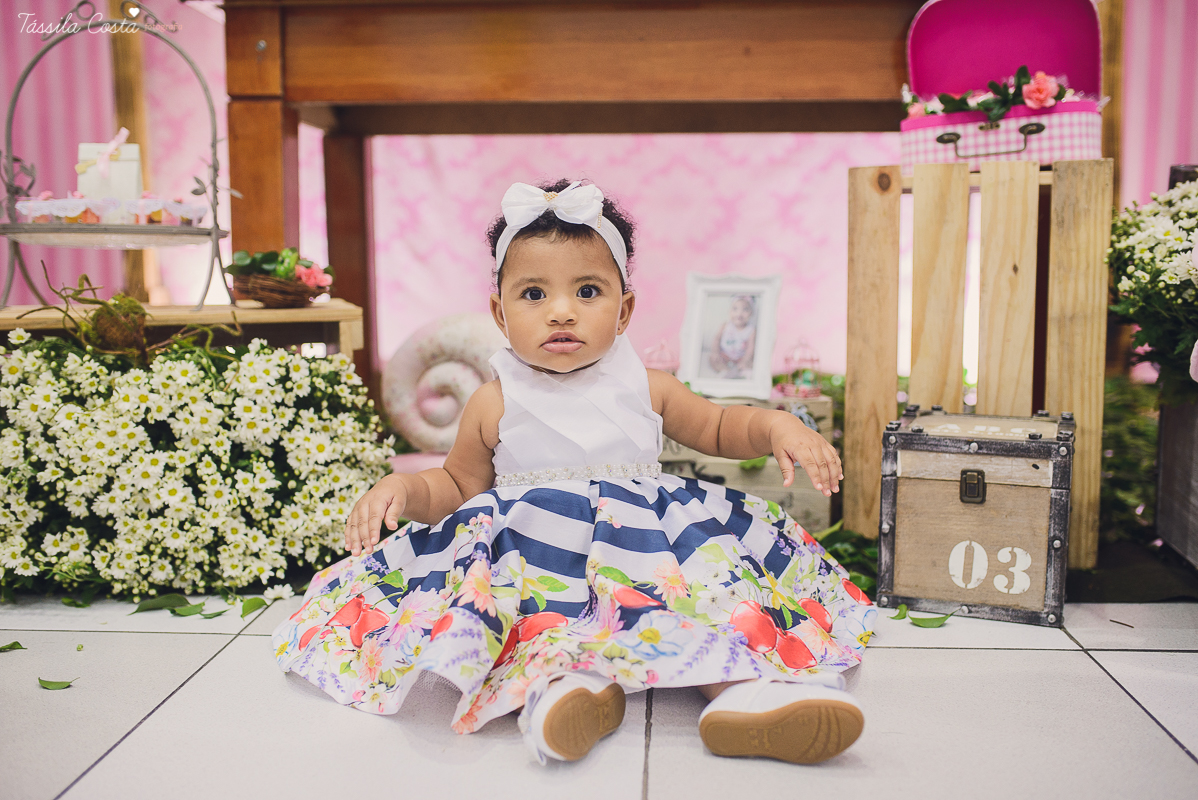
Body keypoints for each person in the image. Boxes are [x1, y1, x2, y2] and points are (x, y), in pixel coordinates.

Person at [271, 179, 876, 766]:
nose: (562, 311)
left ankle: (746, 699)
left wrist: (774, 427)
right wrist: (401, 486)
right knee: (541, 623)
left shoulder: (647, 385)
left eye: (588, 291)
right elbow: (457, 485)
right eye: (534, 294)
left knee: (710, 602)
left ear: (625, 308)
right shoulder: (494, 399)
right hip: (537, 554)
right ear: (499, 312)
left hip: (649, 551)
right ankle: (565, 696)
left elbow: (718, 427)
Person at [708, 295, 757, 378]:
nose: (739, 313)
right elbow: (716, 339)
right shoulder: (725, 325)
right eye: (735, 309)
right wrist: (715, 352)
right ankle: (724, 371)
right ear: (729, 312)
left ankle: (740, 371)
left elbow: (750, 349)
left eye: (745, 309)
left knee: (752, 362)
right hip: (725, 356)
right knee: (712, 359)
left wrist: (745, 360)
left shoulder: (751, 330)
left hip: (741, 358)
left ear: (751, 313)